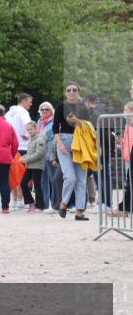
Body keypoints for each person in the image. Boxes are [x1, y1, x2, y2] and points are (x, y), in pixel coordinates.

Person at [53, 83, 91, 221]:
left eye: (74, 90)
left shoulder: (83, 107)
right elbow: (55, 128)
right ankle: (63, 203)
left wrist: (76, 121)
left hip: (80, 142)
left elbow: (88, 127)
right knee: (70, 177)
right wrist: (61, 145)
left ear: (78, 92)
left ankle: (79, 212)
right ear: (65, 93)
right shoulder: (60, 106)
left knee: (81, 179)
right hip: (64, 141)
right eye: (69, 90)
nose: (72, 92)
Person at [4, 94, 33, 209]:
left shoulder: (8, 113)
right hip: (23, 146)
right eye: (30, 101)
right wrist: (27, 135)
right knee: (22, 175)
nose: (31, 104)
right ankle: (21, 201)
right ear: (24, 101)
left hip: (10, 147)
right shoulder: (23, 112)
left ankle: (15, 200)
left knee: (12, 175)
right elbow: (29, 125)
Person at [19, 121, 46, 212]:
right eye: (28, 130)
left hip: (37, 165)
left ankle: (40, 206)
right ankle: (31, 202)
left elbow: (39, 154)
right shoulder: (31, 139)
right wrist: (22, 158)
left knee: (37, 185)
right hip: (30, 165)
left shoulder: (40, 139)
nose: (29, 131)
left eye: (31, 129)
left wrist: (25, 160)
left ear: (36, 128)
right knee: (23, 183)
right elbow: (30, 153)